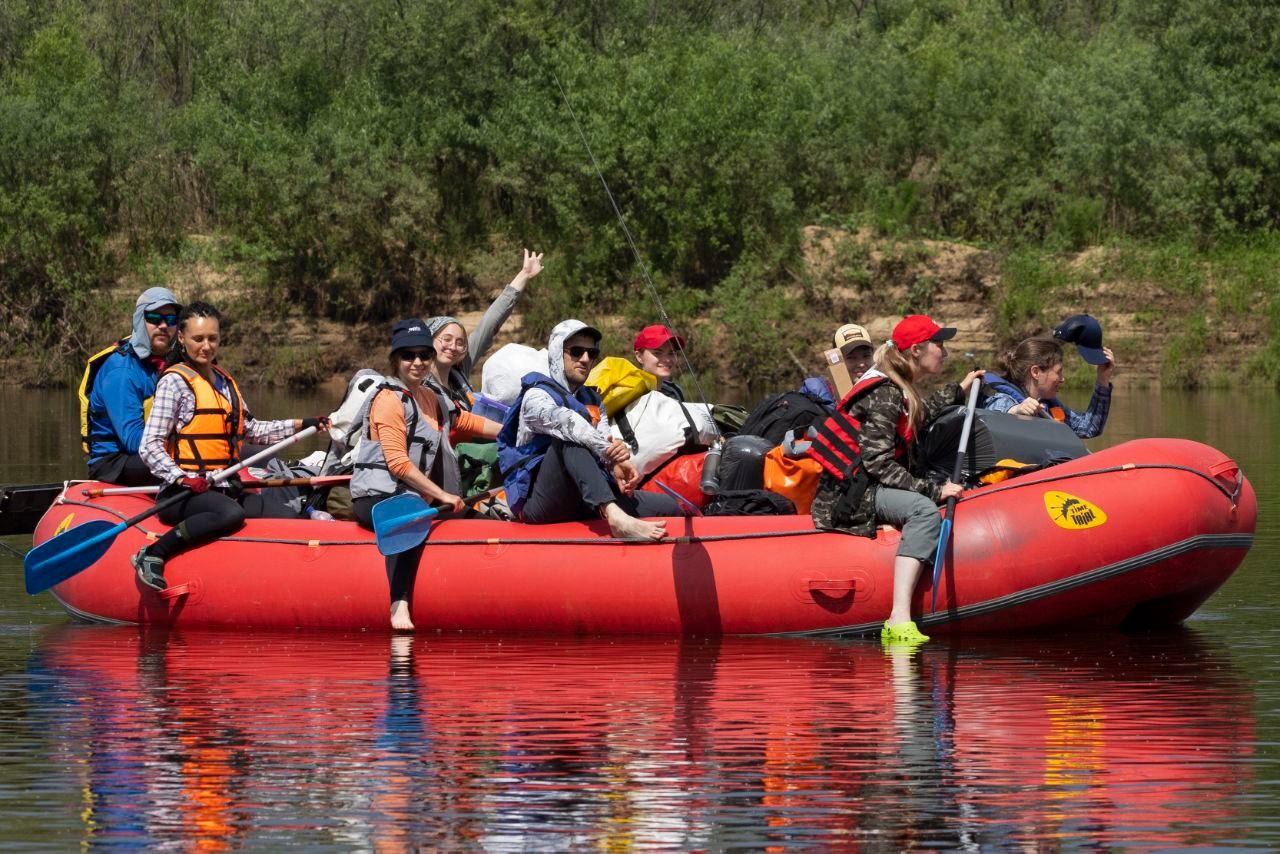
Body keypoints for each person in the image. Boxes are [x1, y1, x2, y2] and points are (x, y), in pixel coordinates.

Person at [808, 314, 985, 645]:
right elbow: (877, 463)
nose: (945, 352)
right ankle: (899, 617)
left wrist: (958, 389)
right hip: (851, 495)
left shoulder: (899, 387)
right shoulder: (886, 393)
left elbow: (917, 414)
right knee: (923, 510)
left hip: (868, 485)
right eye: (939, 344)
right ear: (916, 350)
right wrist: (933, 490)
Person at [131, 301, 329, 592]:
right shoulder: (174, 382)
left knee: (290, 515)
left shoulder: (224, 382)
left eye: (213, 338)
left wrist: (302, 423)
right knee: (230, 515)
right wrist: (181, 478)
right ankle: (153, 553)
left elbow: (252, 430)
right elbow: (149, 446)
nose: (206, 346)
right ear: (182, 338)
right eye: (198, 339)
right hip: (183, 493)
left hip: (225, 487)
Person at [351, 319, 501, 631]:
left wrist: (511, 433)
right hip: (377, 498)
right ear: (396, 359)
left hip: (416, 495)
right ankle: (398, 603)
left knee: (472, 516)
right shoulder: (388, 399)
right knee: (411, 512)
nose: (417, 362)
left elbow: (465, 421)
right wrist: (443, 494)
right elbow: (399, 465)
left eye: (424, 354)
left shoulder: (430, 396)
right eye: (409, 355)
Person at [498, 319, 679, 540]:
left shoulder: (593, 399)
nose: (585, 359)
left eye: (591, 353)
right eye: (576, 352)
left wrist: (614, 463)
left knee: (668, 506)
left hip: (584, 497)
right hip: (542, 502)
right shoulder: (536, 396)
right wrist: (609, 451)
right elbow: (568, 423)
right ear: (557, 353)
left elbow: (602, 441)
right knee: (569, 440)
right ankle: (615, 517)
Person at [81, 287, 182, 485]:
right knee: (195, 460)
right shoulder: (121, 371)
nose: (163, 325)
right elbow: (134, 441)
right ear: (139, 320)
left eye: (170, 319)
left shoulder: (174, 364)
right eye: (154, 318)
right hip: (116, 462)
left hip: (154, 451)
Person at [425, 248, 544, 412]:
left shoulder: (460, 369)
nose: (453, 347)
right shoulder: (416, 380)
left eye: (460, 342)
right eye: (446, 339)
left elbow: (488, 325)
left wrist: (524, 275)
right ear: (429, 339)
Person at [981, 326, 1114, 439]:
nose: (1062, 379)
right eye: (1058, 372)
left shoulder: (1049, 405)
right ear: (1036, 372)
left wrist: (1102, 380)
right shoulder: (1003, 399)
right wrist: (1017, 410)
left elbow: (1089, 428)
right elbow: (994, 415)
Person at [633, 324, 687, 401]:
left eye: (671, 353)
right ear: (639, 357)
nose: (667, 359)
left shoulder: (674, 391)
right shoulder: (628, 391)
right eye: (657, 353)